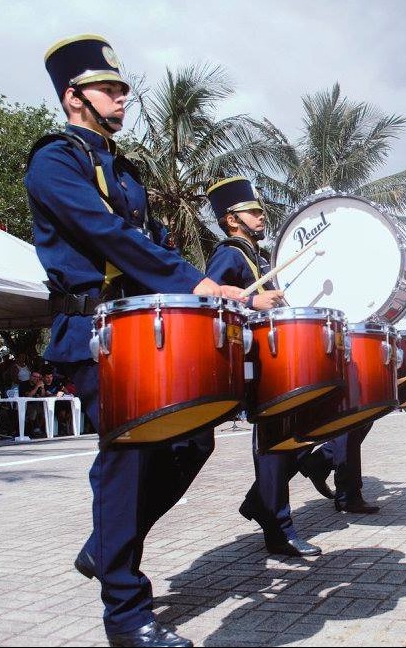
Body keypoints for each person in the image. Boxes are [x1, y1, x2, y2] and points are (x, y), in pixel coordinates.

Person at [26, 35, 244, 648]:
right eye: (108, 89)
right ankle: (125, 614)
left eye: (123, 89)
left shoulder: (125, 169)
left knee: (191, 441)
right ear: (74, 98)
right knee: (125, 460)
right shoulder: (54, 162)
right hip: (95, 331)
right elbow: (107, 235)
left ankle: (104, 547)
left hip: (146, 332)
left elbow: (150, 244)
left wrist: (196, 285)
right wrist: (196, 282)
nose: (122, 99)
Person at [203, 176, 327, 557]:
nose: (261, 217)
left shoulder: (255, 257)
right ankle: (278, 528)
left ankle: (263, 505)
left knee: (294, 436)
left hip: (275, 358)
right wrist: (252, 303)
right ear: (231, 220)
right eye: (252, 212)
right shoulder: (229, 254)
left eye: (260, 211)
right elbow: (209, 300)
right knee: (274, 443)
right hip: (256, 362)